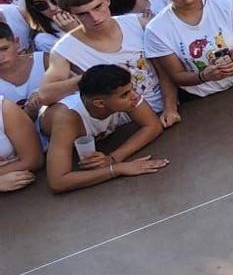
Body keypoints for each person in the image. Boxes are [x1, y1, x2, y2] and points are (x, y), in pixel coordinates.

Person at [45, 62, 169, 193]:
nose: (135, 96)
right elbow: (58, 181)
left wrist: (114, 158)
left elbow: (153, 126)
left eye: (132, 89)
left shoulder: (126, 96)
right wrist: (118, 169)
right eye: (124, 95)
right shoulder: (67, 119)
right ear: (100, 103)